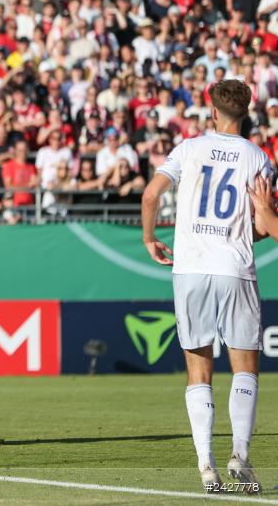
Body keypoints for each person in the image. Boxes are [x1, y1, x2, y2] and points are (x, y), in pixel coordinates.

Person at [141, 79, 271, 493]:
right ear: (246, 114)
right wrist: (245, 230)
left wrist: (149, 237)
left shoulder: (188, 149)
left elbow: (149, 196)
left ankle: (206, 466)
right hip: (234, 267)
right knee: (245, 367)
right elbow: (264, 222)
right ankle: (241, 456)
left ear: (212, 111)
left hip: (191, 268)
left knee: (198, 368)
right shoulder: (258, 158)